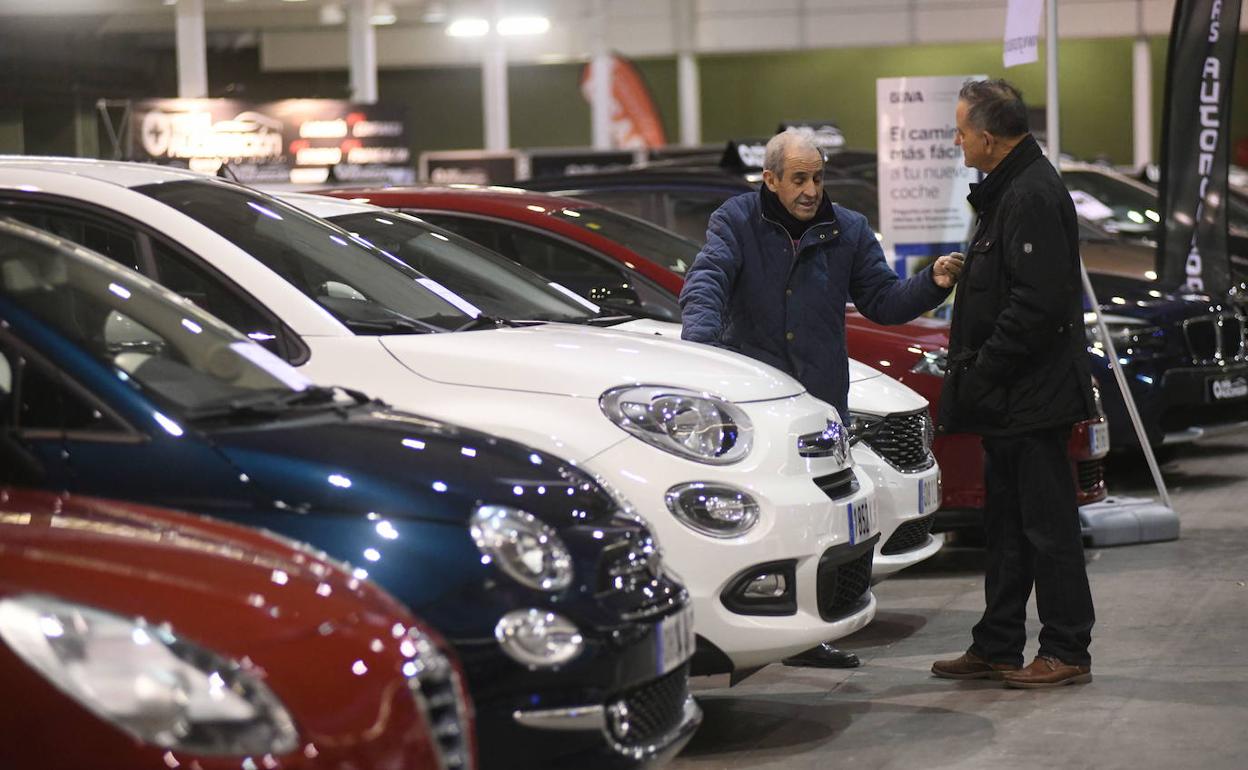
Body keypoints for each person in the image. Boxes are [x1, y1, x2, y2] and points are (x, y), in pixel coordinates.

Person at [680, 126, 964, 668]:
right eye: (799, 179)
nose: (811, 190)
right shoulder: (736, 220)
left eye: (817, 177)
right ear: (771, 180)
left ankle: (810, 636)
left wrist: (934, 281)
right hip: (757, 407)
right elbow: (707, 282)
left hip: (820, 404)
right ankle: (754, 628)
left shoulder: (848, 229)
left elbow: (882, 300)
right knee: (764, 521)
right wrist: (701, 352)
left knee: (825, 522)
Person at [930, 79, 1097, 688]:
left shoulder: (1030, 194)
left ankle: (1066, 650)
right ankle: (998, 643)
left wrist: (983, 368)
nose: (957, 140)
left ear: (990, 138)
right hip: (1010, 400)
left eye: (962, 130)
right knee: (1005, 528)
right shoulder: (1009, 190)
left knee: (1047, 530)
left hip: (1031, 396)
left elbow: (1037, 304)